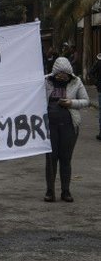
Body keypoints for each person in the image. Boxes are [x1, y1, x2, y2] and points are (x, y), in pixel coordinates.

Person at [43, 57, 89, 203]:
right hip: (49, 127)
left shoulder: (76, 82)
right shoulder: (45, 81)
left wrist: (71, 103)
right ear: (54, 72)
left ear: (70, 73)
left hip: (69, 127)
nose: (62, 76)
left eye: (65, 74)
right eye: (59, 73)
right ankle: (50, 192)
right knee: (51, 159)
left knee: (65, 159)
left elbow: (86, 101)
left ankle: (66, 191)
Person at [90, 53, 101, 140]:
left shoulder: (98, 61)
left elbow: (91, 73)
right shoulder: (99, 61)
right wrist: (97, 83)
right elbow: (91, 73)